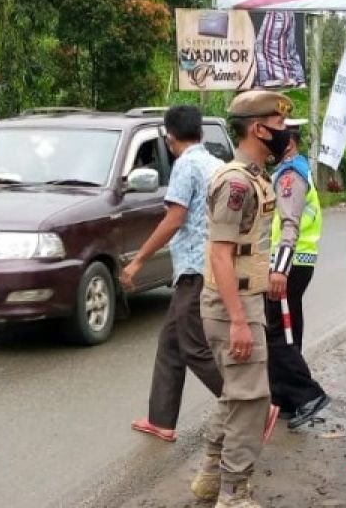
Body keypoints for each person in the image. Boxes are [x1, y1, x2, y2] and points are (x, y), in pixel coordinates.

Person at [190, 90, 293, 508]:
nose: (285, 133)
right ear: (258, 128)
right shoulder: (235, 181)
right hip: (233, 306)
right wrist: (237, 319)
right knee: (251, 399)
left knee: (237, 393)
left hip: (241, 302)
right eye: (280, 126)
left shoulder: (252, 175)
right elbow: (220, 252)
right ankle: (234, 493)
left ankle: (211, 477)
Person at [121, 105, 225, 442]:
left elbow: (174, 218)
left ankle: (248, 406)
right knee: (170, 343)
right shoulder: (217, 164)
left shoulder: (186, 165)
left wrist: (138, 260)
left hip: (195, 270)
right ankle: (161, 419)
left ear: (169, 138)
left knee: (193, 346)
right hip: (209, 265)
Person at [265, 120, 330, 431]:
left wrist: (279, 268)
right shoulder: (295, 169)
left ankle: (308, 395)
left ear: (288, 141)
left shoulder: (290, 174)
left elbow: (289, 224)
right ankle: (285, 400)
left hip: (288, 262)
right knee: (289, 329)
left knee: (276, 333)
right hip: (298, 260)